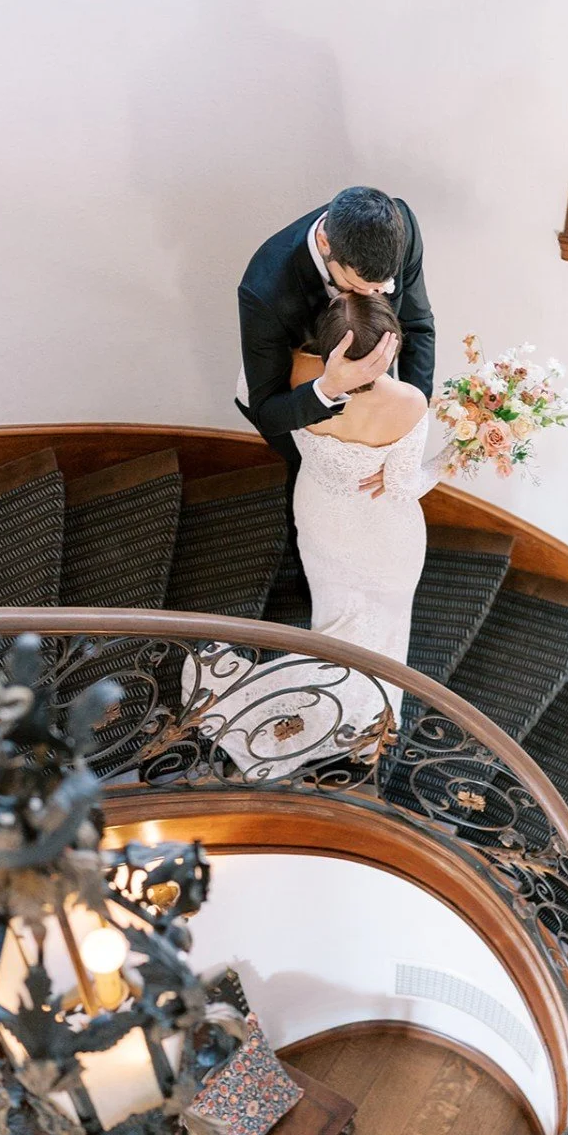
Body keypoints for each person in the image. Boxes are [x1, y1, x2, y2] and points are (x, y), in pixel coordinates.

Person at [188, 293, 445, 778]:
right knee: (384, 628)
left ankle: (318, 701)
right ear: (390, 347)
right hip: (386, 530)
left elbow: (251, 398)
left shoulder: (296, 375)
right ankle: (366, 712)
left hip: (321, 513)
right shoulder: (409, 401)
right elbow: (403, 484)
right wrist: (453, 457)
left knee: (333, 615)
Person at [235, 186, 435, 570]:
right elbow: (267, 411)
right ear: (326, 243)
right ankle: (307, 572)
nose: (376, 297)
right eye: (356, 289)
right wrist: (329, 388)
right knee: (312, 484)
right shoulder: (264, 290)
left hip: (377, 398)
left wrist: (412, 417)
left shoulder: (402, 226)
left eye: (383, 288)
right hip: (298, 401)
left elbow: (418, 325)